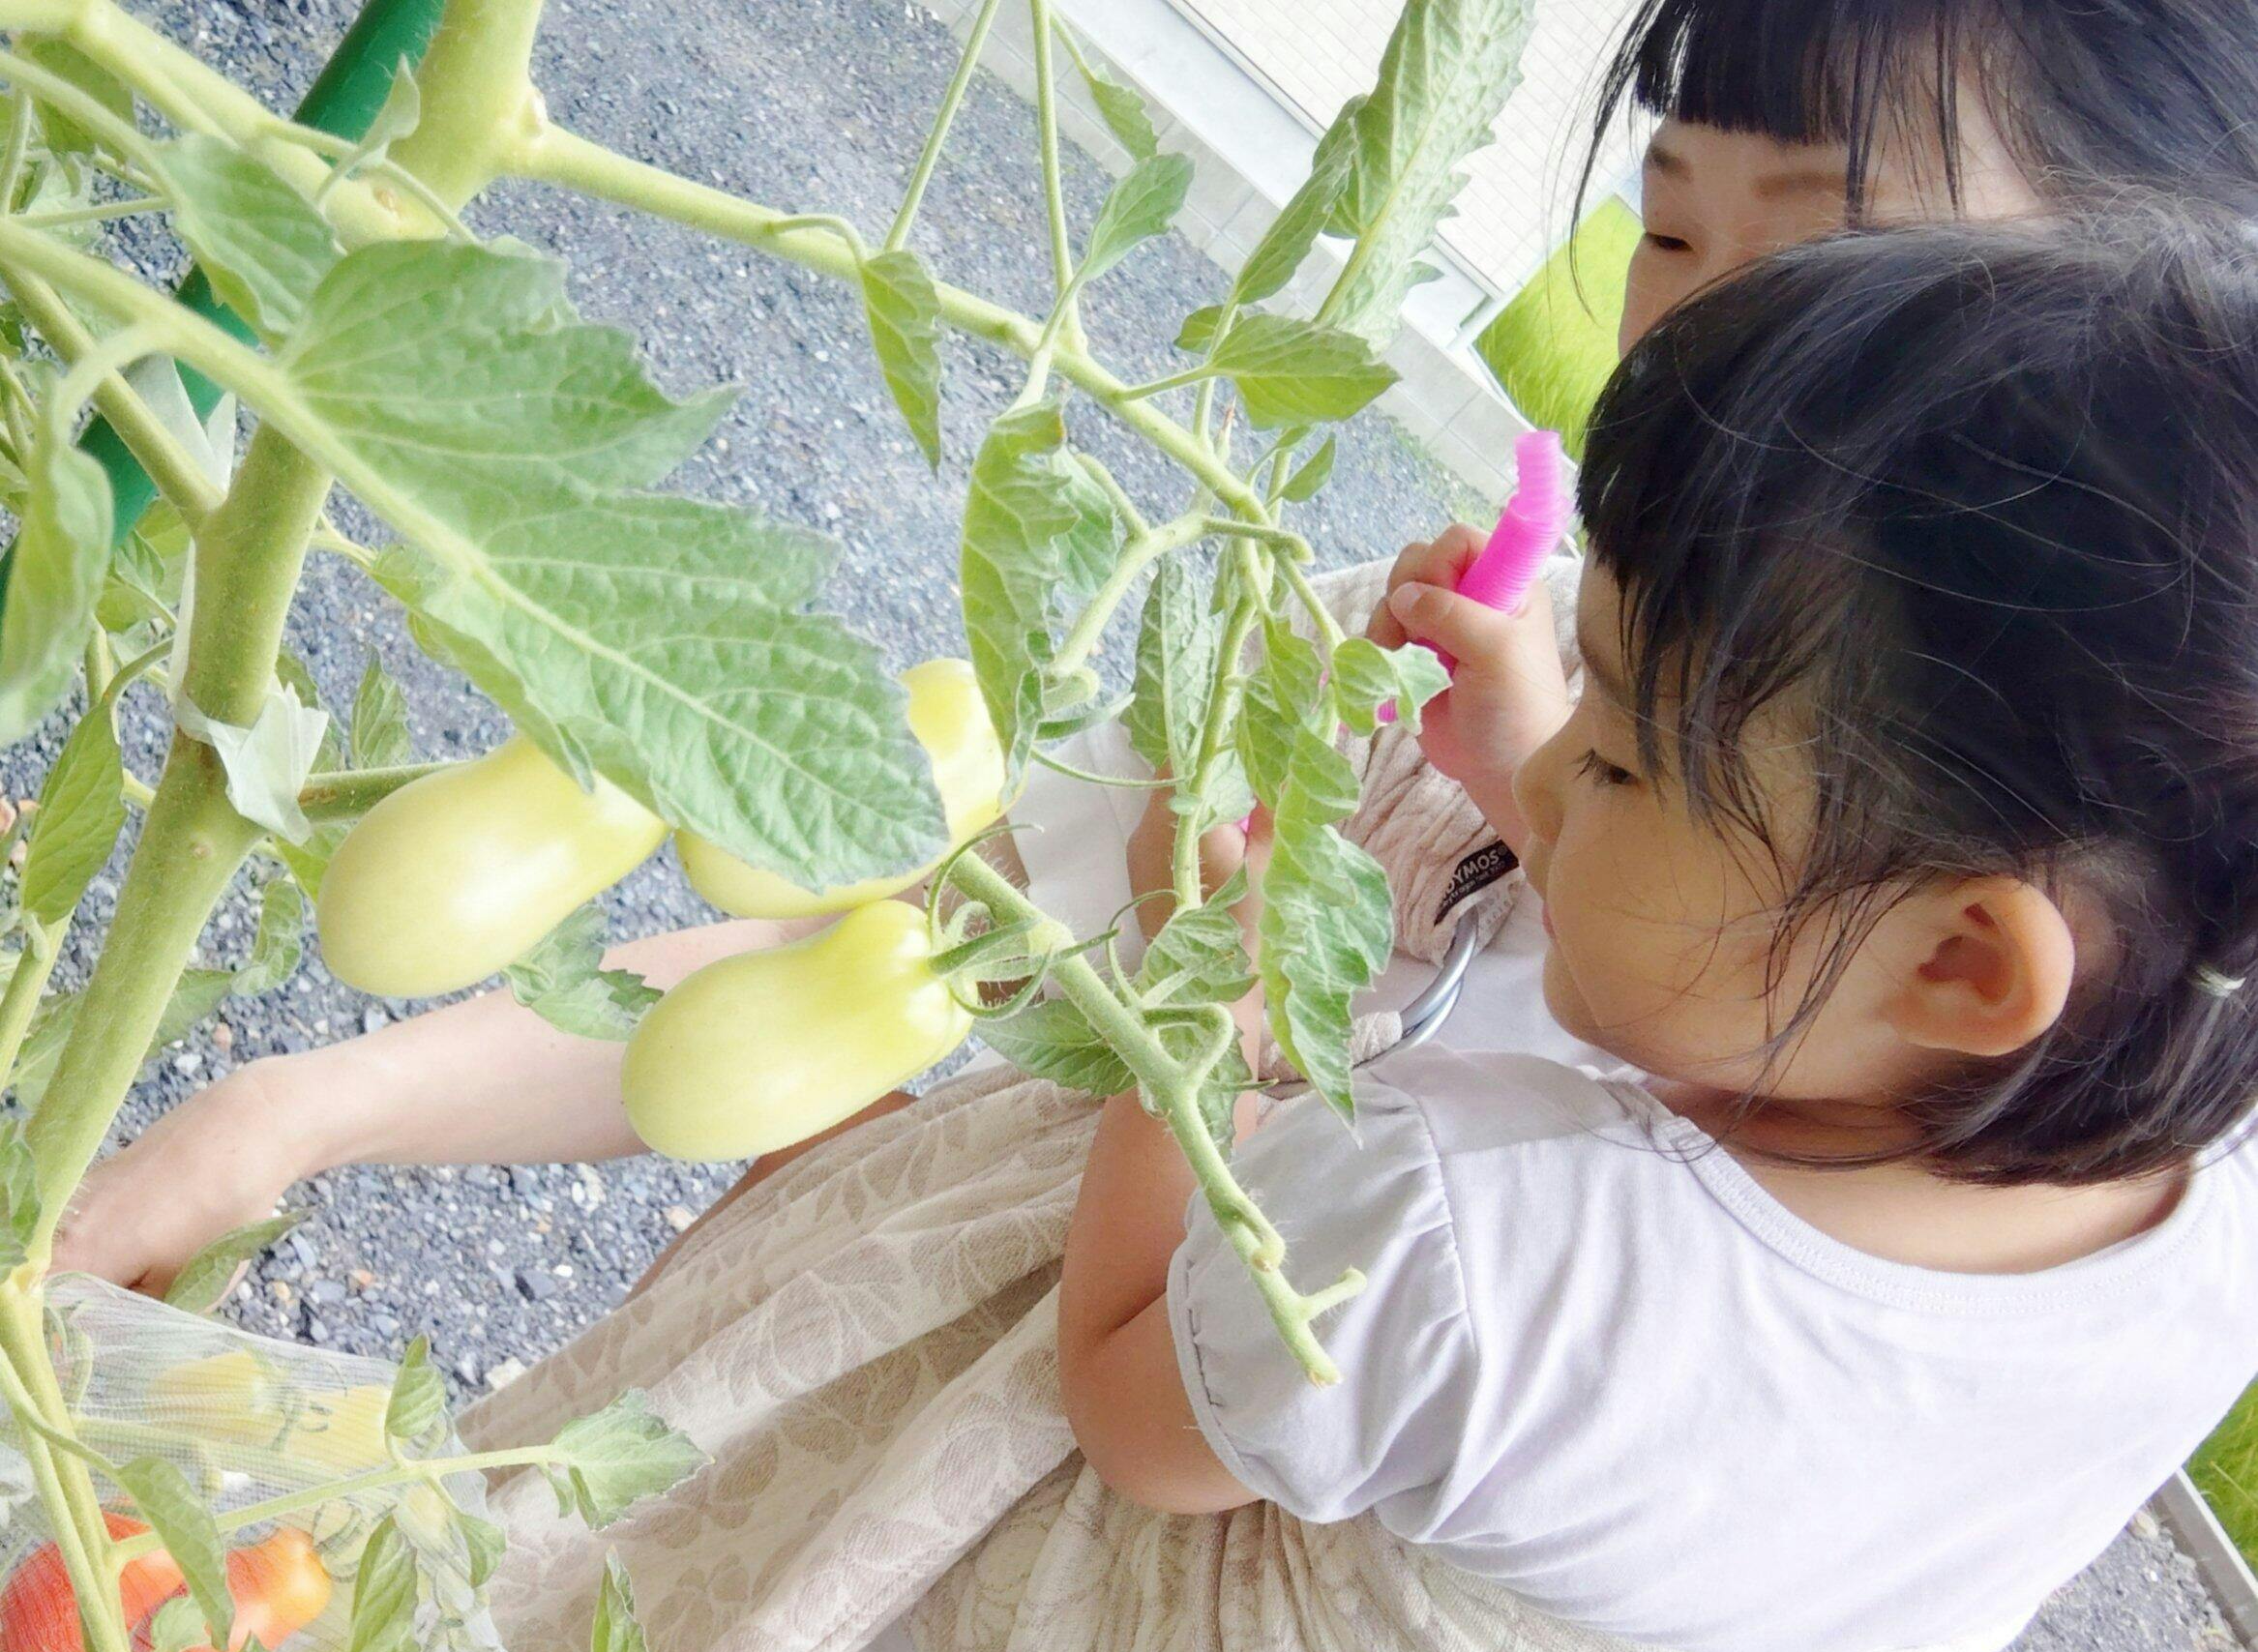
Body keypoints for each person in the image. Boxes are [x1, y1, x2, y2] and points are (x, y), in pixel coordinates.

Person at [76, 205, 2258, 1652]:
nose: (1554, 734)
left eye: (1621, 743)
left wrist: (1196, 1013)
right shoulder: (2149, 1171)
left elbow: (1138, 1386)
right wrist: (1550, 781)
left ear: (1974, 959)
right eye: (1680, 224)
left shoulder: (1464, 1253)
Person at [59, 0, 2258, 1300]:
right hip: (833, 1582)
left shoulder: (2045, 1093)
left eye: (1855, 263)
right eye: (1678, 229)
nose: (1724, 354)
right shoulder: (1357, 689)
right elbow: (919, 943)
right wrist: (289, 1114)